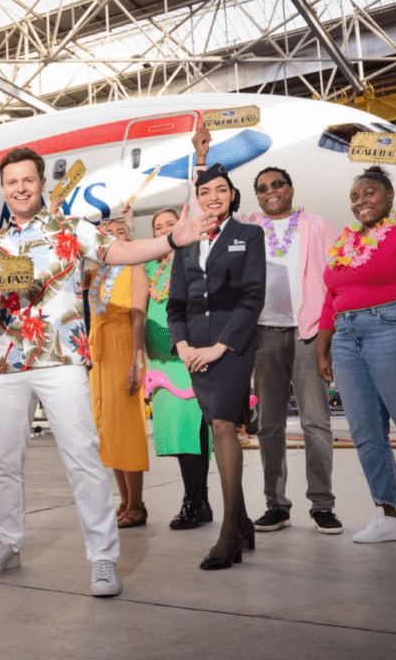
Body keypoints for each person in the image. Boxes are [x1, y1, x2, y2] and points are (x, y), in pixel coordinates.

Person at [0, 146, 215, 596]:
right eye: (11, 182)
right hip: (6, 363)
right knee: (4, 461)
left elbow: (122, 250)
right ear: (3, 188)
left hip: (61, 359)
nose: (20, 188)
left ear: (41, 184)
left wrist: (174, 239)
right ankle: (8, 542)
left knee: (83, 458)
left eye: (27, 180)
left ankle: (103, 558)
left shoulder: (70, 229)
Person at [316, 157, 396, 553]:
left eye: (369, 193)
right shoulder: (345, 244)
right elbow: (331, 299)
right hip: (346, 337)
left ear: (389, 196)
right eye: (354, 197)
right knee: (366, 431)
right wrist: (323, 348)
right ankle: (386, 515)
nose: (360, 202)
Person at [166, 132, 266, 570]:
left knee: (224, 425)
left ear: (232, 196)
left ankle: (229, 534)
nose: (212, 197)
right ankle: (242, 520)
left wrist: (220, 347)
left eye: (220, 190)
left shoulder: (249, 235)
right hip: (195, 350)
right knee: (215, 425)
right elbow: (175, 303)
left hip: (232, 347)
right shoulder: (184, 240)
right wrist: (184, 345)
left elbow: (252, 297)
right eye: (204, 191)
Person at [239, 161, 343, 535]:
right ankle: (276, 505)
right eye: (263, 187)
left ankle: (322, 505)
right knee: (269, 425)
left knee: (316, 422)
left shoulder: (318, 227)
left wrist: (329, 334)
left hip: (308, 331)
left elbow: (335, 279)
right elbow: (206, 206)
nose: (270, 191)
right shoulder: (249, 226)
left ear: (291, 188)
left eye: (277, 184)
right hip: (265, 333)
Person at [143, 208, 212, 530]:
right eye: (159, 227)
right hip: (161, 363)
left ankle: (193, 502)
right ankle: (201, 501)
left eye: (171, 224)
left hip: (187, 354)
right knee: (180, 437)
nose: (165, 230)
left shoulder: (194, 259)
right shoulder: (151, 266)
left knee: (192, 433)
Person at [87, 216, 150, 528]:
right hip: (100, 353)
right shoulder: (97, 272)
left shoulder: (135, 267)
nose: (113, 236)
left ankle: (137, 504)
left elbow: (138, 315)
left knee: (127, 427)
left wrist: (136, 361)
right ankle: (124, 500)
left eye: (120, 232)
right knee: (108, 430)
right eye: (107, 233)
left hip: (124, 346)